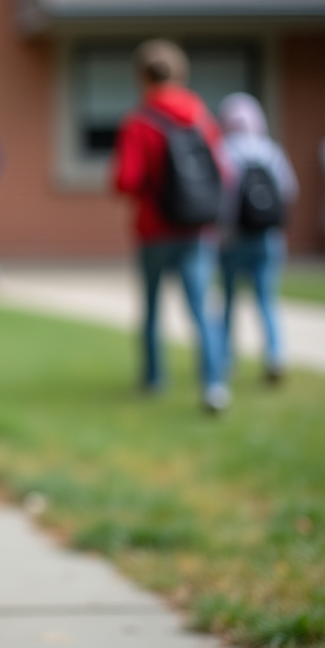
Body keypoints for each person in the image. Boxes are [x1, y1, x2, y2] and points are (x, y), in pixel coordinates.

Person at [113, 39, 231, 413]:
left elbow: (125, 181)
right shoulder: (200, 116)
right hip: (197, 230)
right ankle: (214, 385)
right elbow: (223, 173)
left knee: (151, 309)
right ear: (181, 74)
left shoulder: (139, 122)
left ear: (141, 77)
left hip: (154, 230)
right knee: (202, 309)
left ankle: (154, 378)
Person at [216, 93, 297, 384]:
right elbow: (289, 192)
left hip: (232, 240)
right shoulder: (271, 151)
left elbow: (222, 201)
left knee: (227, 301)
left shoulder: (223, 151)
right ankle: (275, 355)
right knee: (266, 300)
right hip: (268, 238)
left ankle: (224, 360)